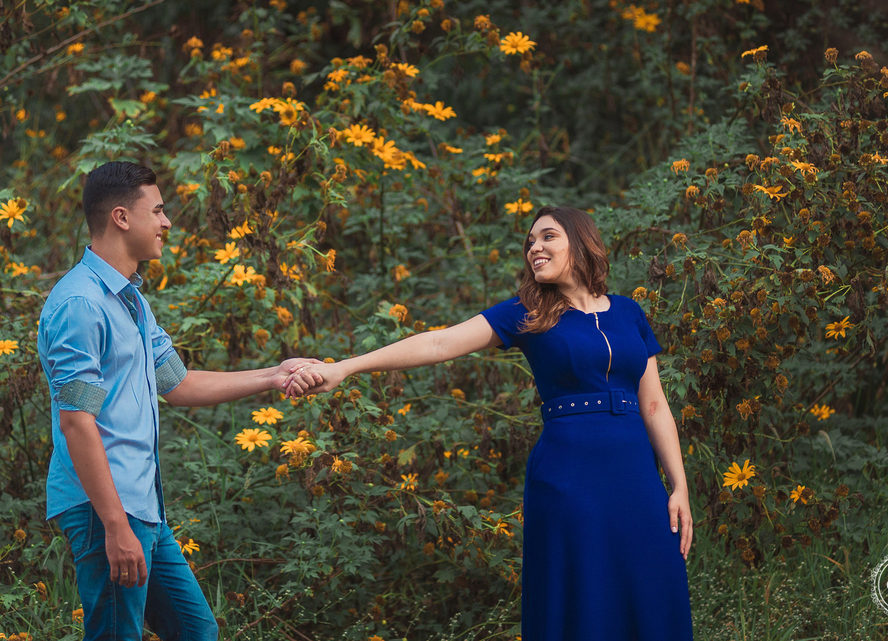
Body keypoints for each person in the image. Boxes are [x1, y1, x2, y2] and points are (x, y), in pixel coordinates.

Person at [284, 206, 695, 640]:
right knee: (582, 592)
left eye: (548, 237)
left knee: (652, 584)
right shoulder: (527, 312)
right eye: (530, 242)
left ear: (581, 241)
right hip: (569, 477)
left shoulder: (630, 313)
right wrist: (344, 367)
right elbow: (440, 343)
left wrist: (679, 486)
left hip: (636, 477)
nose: (535, 248)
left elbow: (654, 406)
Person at [37, 161, 318, 640]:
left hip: (143, 506)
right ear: (121, 217)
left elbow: (178, 384)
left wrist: (273, 375)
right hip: (105, 509)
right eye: (158, 211)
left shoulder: (130, 300)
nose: (167, 222)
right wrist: (114, 526)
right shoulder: (81, 305)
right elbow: (77, 422)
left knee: (197, 632)